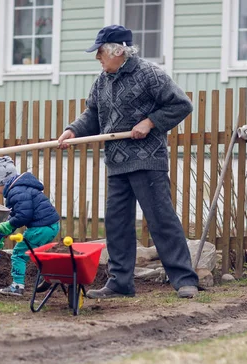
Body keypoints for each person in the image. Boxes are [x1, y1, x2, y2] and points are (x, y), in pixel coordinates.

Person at [58, 25, 199, 299]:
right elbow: (94, 114)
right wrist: (73, 130)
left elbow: (181, 104)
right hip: (117, 162)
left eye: (100, 52)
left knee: (161, 220)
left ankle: (184, 279)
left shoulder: (150, 74)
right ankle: (120, 283)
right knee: (117, 224)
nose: (97, 58)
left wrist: (150, 122)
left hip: (147, 160)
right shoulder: (102, 81)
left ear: (118, 51)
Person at [0, 156, 60, 296]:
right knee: (36, 253)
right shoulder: (22, 188)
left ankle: (17, 286)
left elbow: (23, 216)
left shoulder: (16, 192)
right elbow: (18, 213)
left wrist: (9, 224)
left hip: (40, 228)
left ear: (3, 181)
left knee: (18, 255)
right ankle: (47, 276)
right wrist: (5, 231)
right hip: (52, 225)